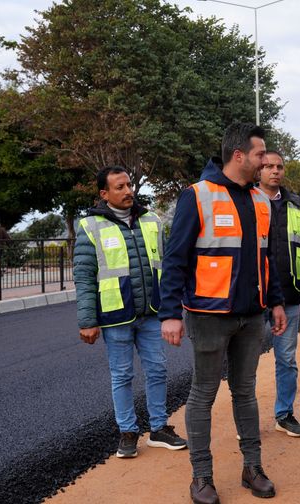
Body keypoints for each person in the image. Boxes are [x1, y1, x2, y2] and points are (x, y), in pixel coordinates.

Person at [159, 123, 287, 504]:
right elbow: (175, 259)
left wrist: (276, 300)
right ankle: (201, 477)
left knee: (246, 393)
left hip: (251, 316)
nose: (266, 161)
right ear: (238, 156)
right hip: (208, 315)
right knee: (203, 393)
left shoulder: (262, 201)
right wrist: (169, 313)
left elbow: (268, 260)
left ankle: (253, 467)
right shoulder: (197, 196)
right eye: (260, 154)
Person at [73, 166, 187, 460]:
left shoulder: (151, 220)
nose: (128, 191)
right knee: (122, 375)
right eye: (120, 187)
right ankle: (127, 432)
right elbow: (84, 276)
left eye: (129, 186)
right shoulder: (90, 226)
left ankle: (159, 428)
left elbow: (166, 264)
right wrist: (87, 321)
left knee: (158, 370)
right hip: (115, 315)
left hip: (150, 312)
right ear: (104, 194)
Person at [257, 149, 300, 438]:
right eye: (268, 166)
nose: (275, 171)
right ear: (258, 170)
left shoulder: (296, 207)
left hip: (290, 297)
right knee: (246, 364)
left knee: (287, 359)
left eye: (279, 166)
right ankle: (246, 420)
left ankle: (284, 413)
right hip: (253, 299)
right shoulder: (245, 202)